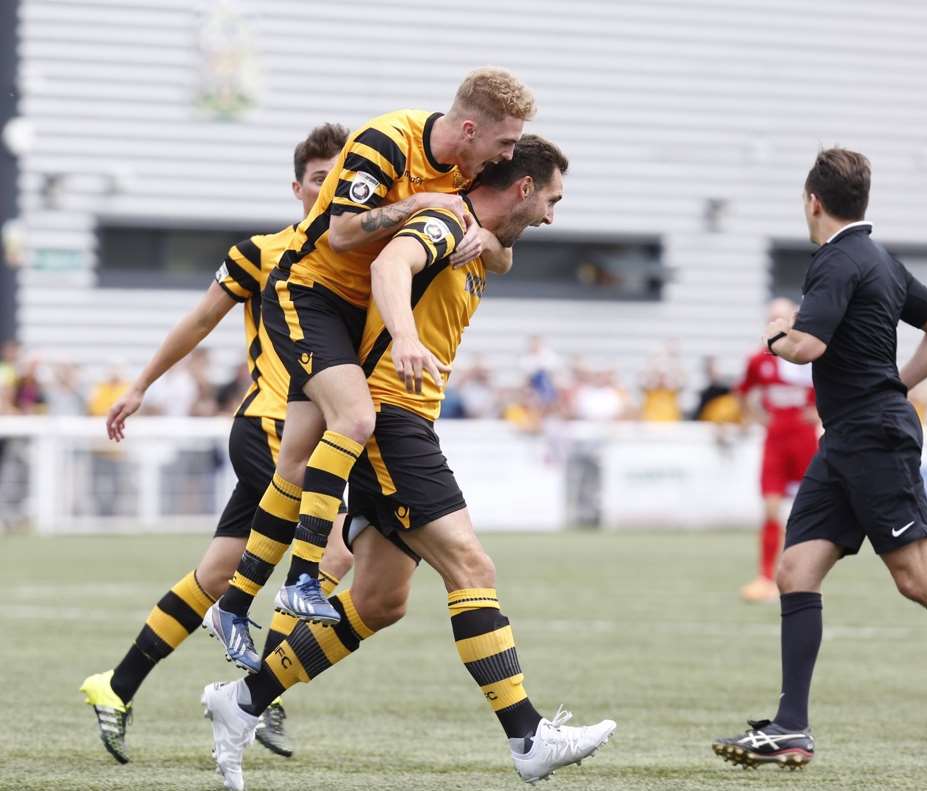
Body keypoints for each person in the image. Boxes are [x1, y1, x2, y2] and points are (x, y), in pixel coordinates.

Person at [201, 135, 615, 791]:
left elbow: (497, 254)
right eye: (552, 201)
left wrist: (495, 244)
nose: (552, 218)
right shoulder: (446, 218)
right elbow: (391, 267)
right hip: (389, 418)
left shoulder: (478, 232)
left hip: (406, 419)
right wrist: (406, 336)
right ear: (524, 188)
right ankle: (528, 735)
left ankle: (244, 699)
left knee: (379, 600)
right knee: (471, 565)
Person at [713, 148, 927, 769]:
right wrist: (898, 385)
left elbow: (805, 346)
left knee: (918, 579)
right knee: (795, 572)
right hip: (848, 438)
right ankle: (791, 728)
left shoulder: (836, 260)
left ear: (812, 202)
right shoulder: (880, 259)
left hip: (873, 438)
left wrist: (775, 334)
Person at [207, 68, 535, 671]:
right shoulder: (388, 140)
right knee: (354, 419)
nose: (509, 155)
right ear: (469, 128)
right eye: (506, 143)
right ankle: (303, 578)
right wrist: (421, 203)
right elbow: (339, 234)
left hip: (351, 317)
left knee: (298, 460)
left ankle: (233, 603)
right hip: (309, 294)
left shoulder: (470, 170)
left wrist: (487, 243)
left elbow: (500, 239)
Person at [79, 123, 355, 764]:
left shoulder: (365, 256)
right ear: (297, 188)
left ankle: (115, 687)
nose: (331, 188)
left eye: (340, 178)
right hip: (271, 428)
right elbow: (202, 317)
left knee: (216, 573)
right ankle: (258, 693)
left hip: (314, 431)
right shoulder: (263, 253)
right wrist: (140, 384)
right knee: (335, 552)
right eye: (319, 178)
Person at [735, 298, 818, 603]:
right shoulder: (760, 359)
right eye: (771, 317)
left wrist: (821, 412)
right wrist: (756, 418)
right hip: (775, 440)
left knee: (809, 511)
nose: (775, 322)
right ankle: (766, 577)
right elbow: (743, 393)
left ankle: (805, 575)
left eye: (781, 318)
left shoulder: (809, 355)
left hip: (805, 440)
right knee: (771, 509)